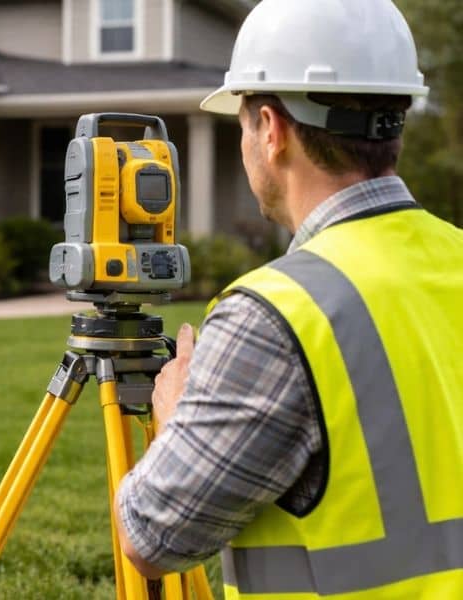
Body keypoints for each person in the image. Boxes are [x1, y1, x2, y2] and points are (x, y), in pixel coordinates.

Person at [113, 0, 463, 597]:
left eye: (243, 123)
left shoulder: (276, 314)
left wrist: (173, 415)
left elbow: (154, 537)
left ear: (271, 130)